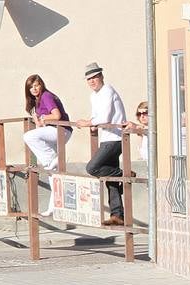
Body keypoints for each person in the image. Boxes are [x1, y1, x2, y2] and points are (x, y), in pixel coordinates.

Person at [75, 62, 126, 226]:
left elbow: (105, 118)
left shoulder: (107, 91)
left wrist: (87, 123)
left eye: (95, 77)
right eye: (89, 79)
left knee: (93, 168)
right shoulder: (94, 96)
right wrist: (92, 125)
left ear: (101, 76)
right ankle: (117, 215)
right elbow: (97, 118)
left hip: (116, 138)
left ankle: (124, 174)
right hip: (107, 137)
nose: (92, 81)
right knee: (109, 179)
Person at [22, 74, 71, 172]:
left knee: (28, 136)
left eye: (36, 85)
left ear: (41, 85)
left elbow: (57, 116)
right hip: (53, 131)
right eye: (31, 87)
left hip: (60, 130)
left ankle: (53, 159)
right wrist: (35, 114)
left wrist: (44, 117)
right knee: (52, 170)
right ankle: (53, 164)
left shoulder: (46, 96)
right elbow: (40, 125)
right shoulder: (36, 101)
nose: (34, 89)